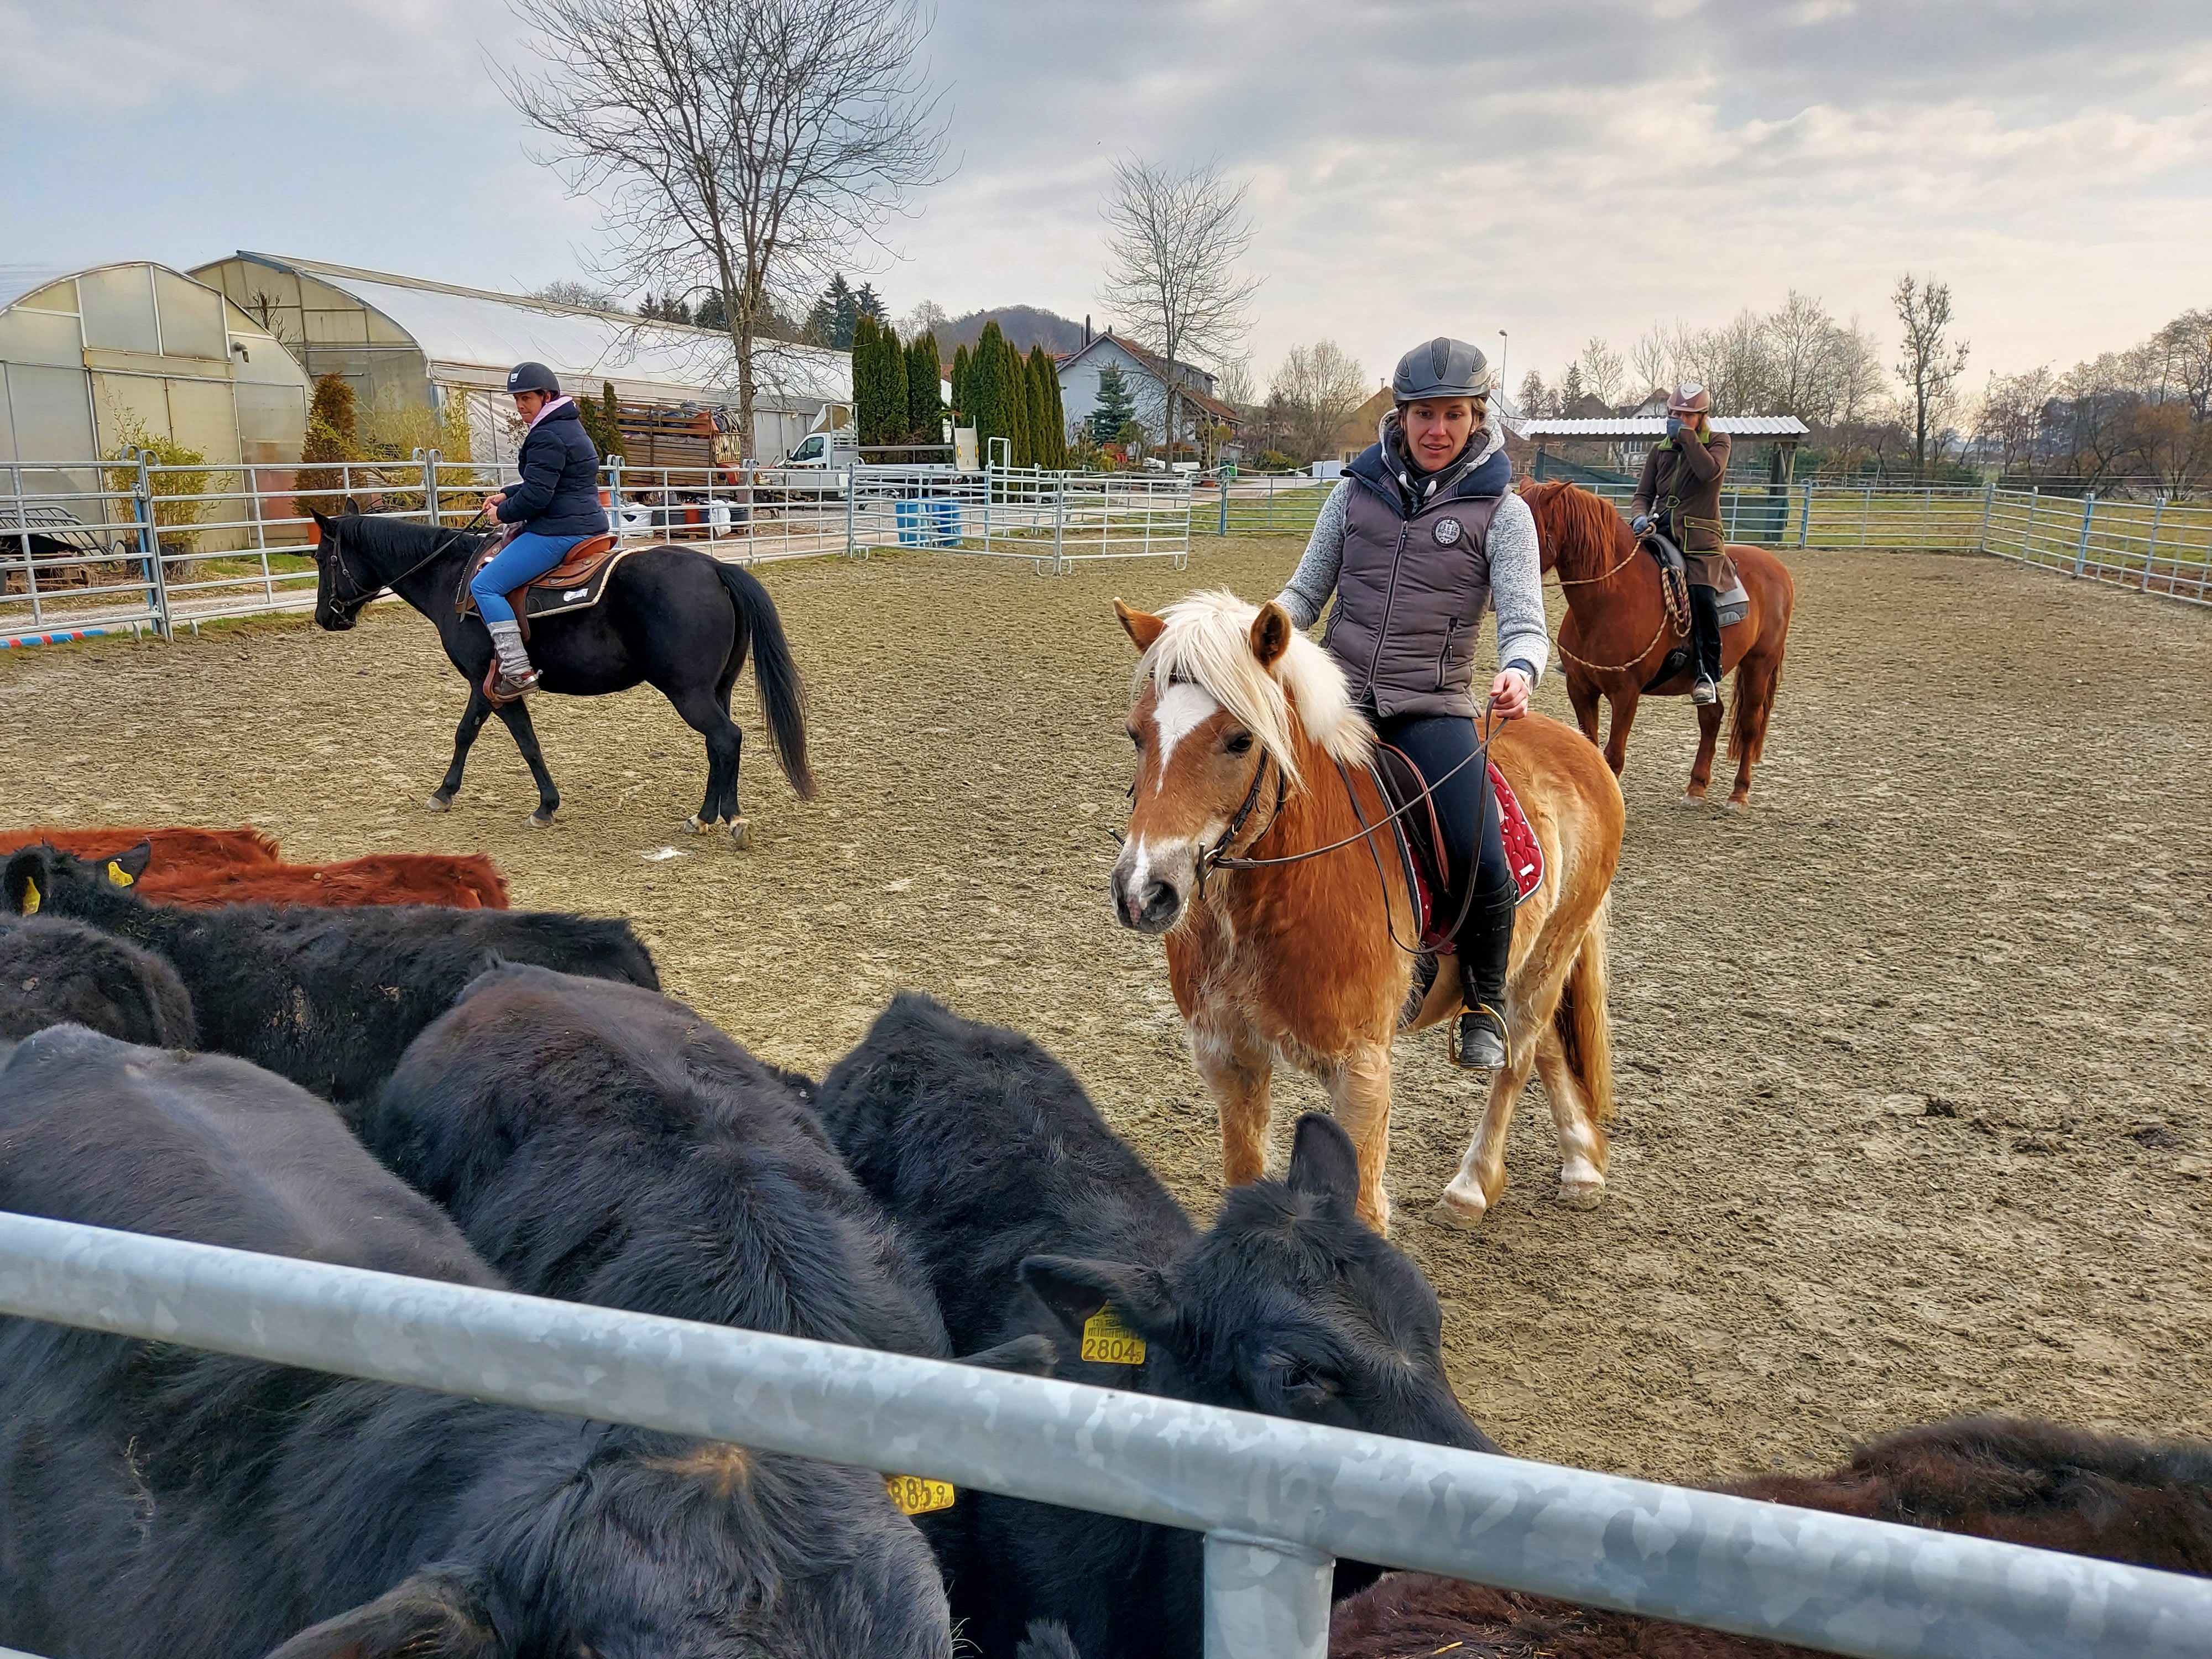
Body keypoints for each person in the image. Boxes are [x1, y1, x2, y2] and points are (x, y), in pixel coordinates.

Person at [1272, 336, 1548, 1072]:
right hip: (1336, 698)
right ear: (1400, 417)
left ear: (1478, 418)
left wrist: (1520, 670)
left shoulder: (1504, 513)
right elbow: (1304, 593)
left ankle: (1484, 1000)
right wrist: (1253, 637)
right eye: (1425, 414)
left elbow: (1525, 621)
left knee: (1479, 851)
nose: (1438, 429)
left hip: (1431, 706)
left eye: (1454, 415)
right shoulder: (1351, 493)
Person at [473, 362, 609, 696]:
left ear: (546, 397)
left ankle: (517, 670)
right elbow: (554, 481)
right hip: (588, 522)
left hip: (560, 530)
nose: (520, 406)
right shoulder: (568, 426)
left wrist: (501, 513)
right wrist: (508, 493)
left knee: (485, 586)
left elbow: (537, 497)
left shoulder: (546, 435)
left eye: (527, 399)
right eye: (517, 399)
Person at [1629, 384, 1733, 704]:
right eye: (1674, 413)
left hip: (1701, 540)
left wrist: (1687, 438)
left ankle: (1707, 673)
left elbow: (1708, 473)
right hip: (1660, 531)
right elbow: (1643, 494)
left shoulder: (1719, 442)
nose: (1677, 419)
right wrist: (1639, 516)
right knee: (1620, 573)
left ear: (1702, 417)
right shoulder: (1659, 451)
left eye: (1687, 415)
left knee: (1701, 596)